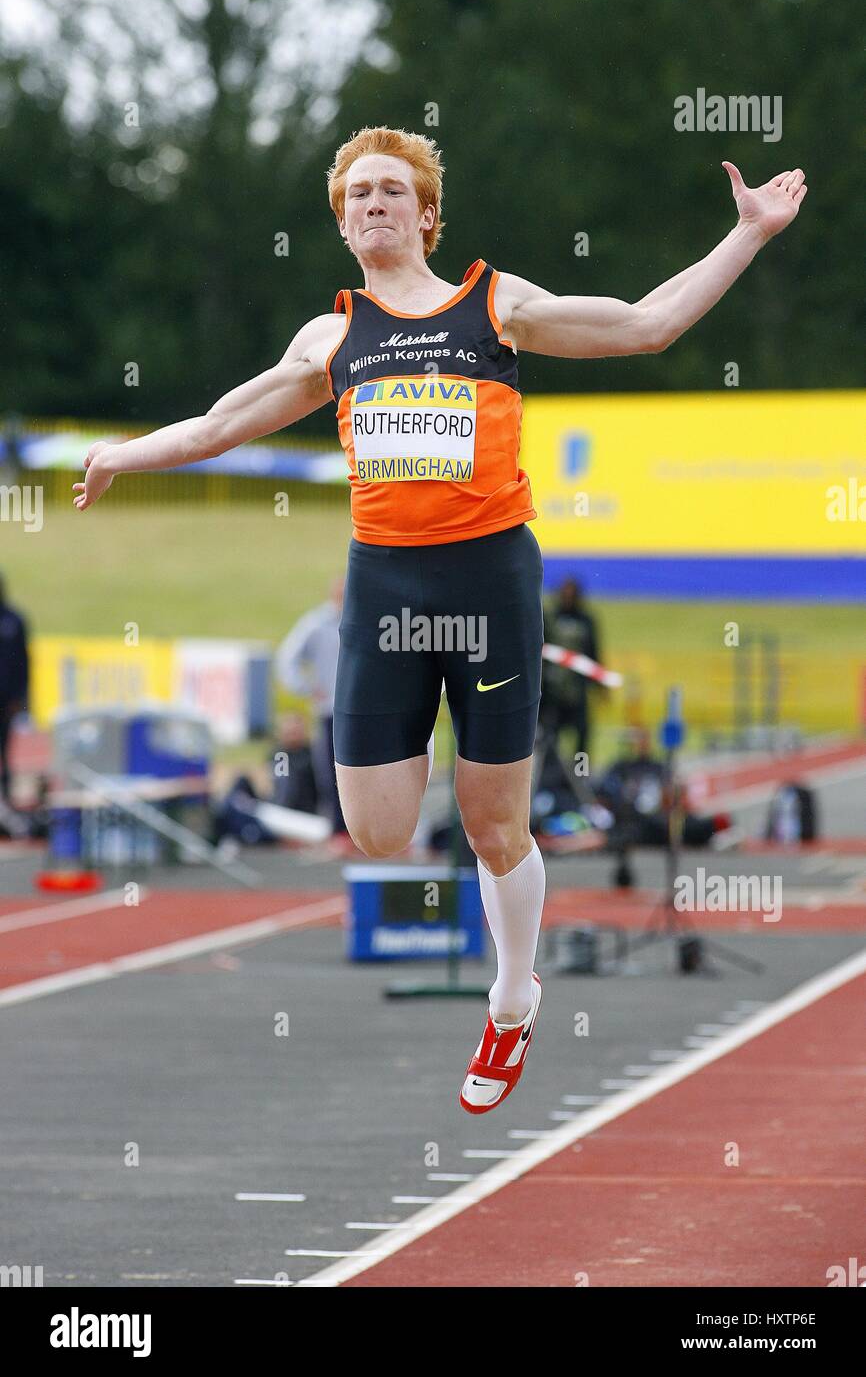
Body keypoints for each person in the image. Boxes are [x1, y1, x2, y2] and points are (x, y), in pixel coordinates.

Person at [72, 127, 808, 1113]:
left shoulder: (493, 305)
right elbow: (213, 425)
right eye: (356, 196)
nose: (371, 204)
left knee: (490, 820)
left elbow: (643, 326)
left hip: (491, 582)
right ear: (340, 224)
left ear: (425, 214)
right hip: (383, 587)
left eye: (390, 191)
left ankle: (512, 996)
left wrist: (747, 234)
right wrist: (123, 454)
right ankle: (456, 843)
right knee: (375, 832)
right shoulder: (328, 339)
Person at [273, 577, 347, 835]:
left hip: (364, 711)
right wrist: (305, 687)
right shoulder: (317, 624)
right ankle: (339, 829)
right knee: (333, 769)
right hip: (330, 708)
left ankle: (361, 831)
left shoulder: (367, 619)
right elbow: (287, 657)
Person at [540, 577, 601, 763]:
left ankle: (580, 772)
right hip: (553, 691)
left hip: (577, 689)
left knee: (583, 732)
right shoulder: (550, 619)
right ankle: (551, 773)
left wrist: (597, 681)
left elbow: (593, 651)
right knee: (549, 736)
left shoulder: (586, 620)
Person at [0, 574, 30, 807]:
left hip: (5, 698)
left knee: (4, 751)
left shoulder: (13, 621)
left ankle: (5, 799)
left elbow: (23, 661)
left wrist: (20, 696)